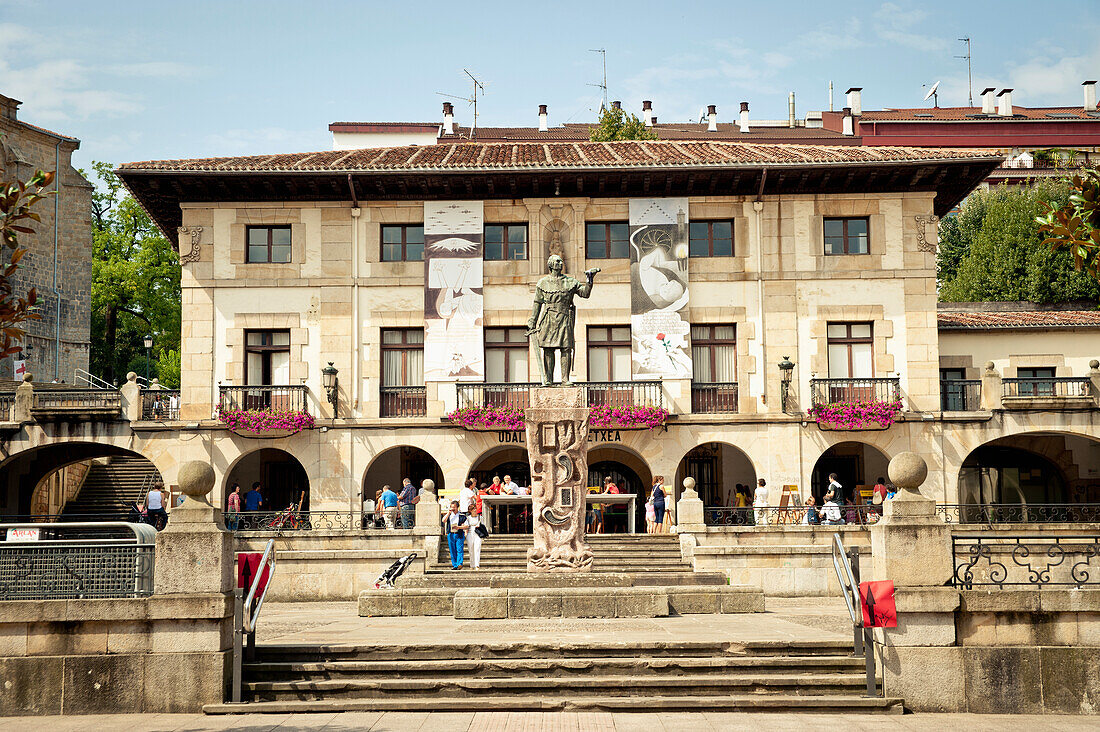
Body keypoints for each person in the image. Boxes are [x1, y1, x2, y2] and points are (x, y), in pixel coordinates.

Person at [444, 500, 467, 569]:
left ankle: (459, 563)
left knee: (459, 550)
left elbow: (466, 526)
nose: (453, 509)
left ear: (457, 507)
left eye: (454, 507)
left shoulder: (462, 515)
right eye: (451, 507)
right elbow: (443, 520)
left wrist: (459, 527)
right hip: (451, 534)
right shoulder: (449, 515)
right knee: (452, 550)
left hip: (459, 534)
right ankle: (455, 565)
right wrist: (448, 513)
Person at [464, 502, 484, 570]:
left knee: (477, 549)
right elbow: (466, 526)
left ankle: (477, 565)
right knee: (471, 550)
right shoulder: (468, 518)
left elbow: (483, 525)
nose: (475, 510)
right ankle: (472, 565)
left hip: (477, 534)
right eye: (473, 509)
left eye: (475, 508)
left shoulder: (480, 517)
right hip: (470, 533)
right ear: (470, 511)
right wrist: (465, 533)